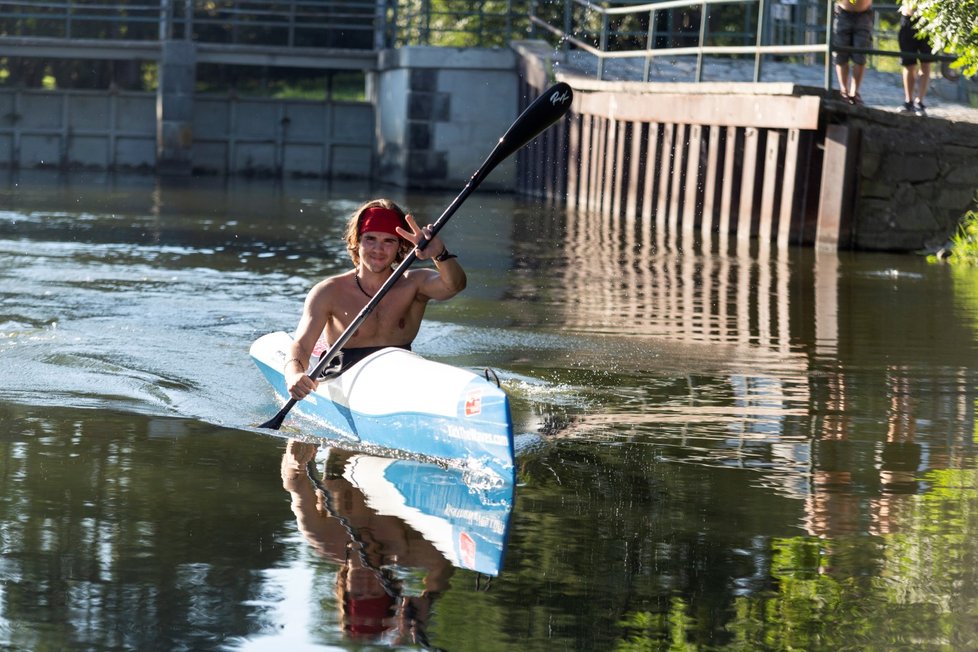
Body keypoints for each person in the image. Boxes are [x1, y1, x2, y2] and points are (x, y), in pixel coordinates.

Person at [284, 198, 466, 400]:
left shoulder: (415, 284)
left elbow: (455, 285)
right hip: (344, 378)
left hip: (400, 373)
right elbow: (301, 345)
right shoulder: (328, 291)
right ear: (356, 241)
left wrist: (440, 254)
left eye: (389, 241)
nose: (378, 249)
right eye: (371, 239)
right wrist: (295, 375)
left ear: (400, 246)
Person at [832, 0, 874, 105]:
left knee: (860, 56)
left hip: (864, 14)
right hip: (843, 13)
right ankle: (844, 91)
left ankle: (854, 92)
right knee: (841, 55)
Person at [898, 1, 933, 116]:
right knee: (908, 63)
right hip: (908, 18)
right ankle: (909, 101)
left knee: (926, 63)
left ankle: (920, 102)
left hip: (929, 20)